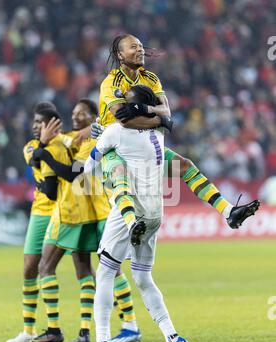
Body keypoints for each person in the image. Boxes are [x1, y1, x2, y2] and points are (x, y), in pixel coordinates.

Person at [96, 34, 260, 232]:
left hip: (144, 144)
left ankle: (228, 212)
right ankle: (131, 223)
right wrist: (160, 121)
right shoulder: (111, 82)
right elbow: (124, 119)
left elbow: (167, 112)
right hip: (116, 147)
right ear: (119, 55)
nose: (140, 49)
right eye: (133, 47)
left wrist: (143, 110)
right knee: (119, 174)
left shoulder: (150, 78)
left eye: (140, 45)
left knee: (185, 166)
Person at [86, 85, 189, 342]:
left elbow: (87, 169)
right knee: (143, 277)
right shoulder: (157, 133)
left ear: (134, 109)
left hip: (128, 211)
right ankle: (173, 338)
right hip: (155, 213)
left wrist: (103, 155)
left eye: (125, 102)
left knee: (105, 273)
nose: (119, 105)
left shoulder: (116, 132)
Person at [33, 99, 142, 342]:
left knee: (108, 268)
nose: (75, 116)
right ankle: (90, 330)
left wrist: (44, 154)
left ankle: (129, 324)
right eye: (73, 112)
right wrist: (43, 145)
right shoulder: (77, 137)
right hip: (85, 211)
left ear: (93, 117)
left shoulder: (94, 141)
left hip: (96, 210)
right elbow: (65, 140)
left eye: (81, 113)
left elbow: (76, 172)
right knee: (88, 269)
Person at [6, 102, 62, 342]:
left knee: (88, 266)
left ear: (53, 124)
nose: (36, 126)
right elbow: (35, 160)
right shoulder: (30, 146)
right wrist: (44, 143)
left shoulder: (65, 144)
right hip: (40, 211)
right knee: (30, 266)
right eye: (35, 122)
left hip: (67, 209)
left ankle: (127, 322)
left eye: (41, 123)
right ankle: (28, 329)